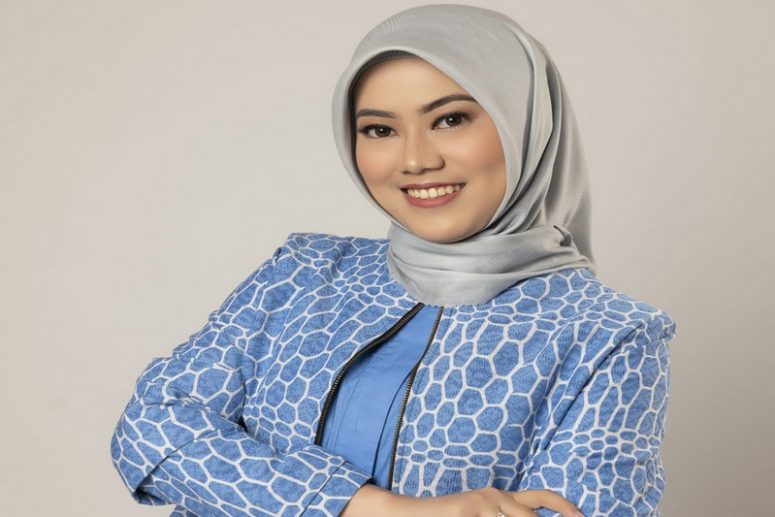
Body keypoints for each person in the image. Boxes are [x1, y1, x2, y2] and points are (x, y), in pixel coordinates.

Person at [110, 4, 677, 517]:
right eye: (380, 129)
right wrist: (377, 509)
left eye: (450, 119)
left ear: (525, 123)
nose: (415, 160)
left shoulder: (606, 335)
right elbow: (150, 428)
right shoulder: (305, 272)